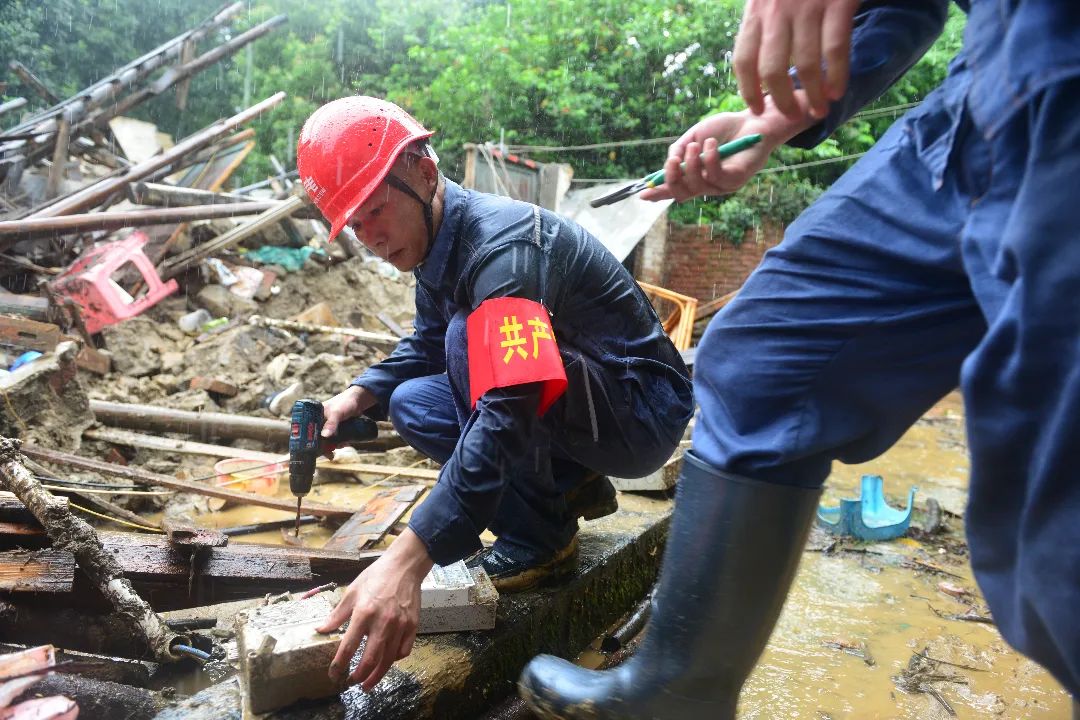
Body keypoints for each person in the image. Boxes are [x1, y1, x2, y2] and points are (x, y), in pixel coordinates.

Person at [518, 0, 1080, 718]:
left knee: (1051, 546)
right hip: (984, 80)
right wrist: (765, 125)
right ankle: (674, 694)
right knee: (766, 358)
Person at [294, 96, 695, 692]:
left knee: (472, 339)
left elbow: (507, 407)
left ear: (424, 174)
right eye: (355, 225)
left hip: (640, 412)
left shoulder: (504, 250)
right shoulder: (434, 245)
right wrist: (358, 396)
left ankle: (542, 539)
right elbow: (427, 343)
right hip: (585, 402)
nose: (370, 237)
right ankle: (566, 483)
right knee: (411, 403)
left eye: (376, 210)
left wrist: (410, 559)